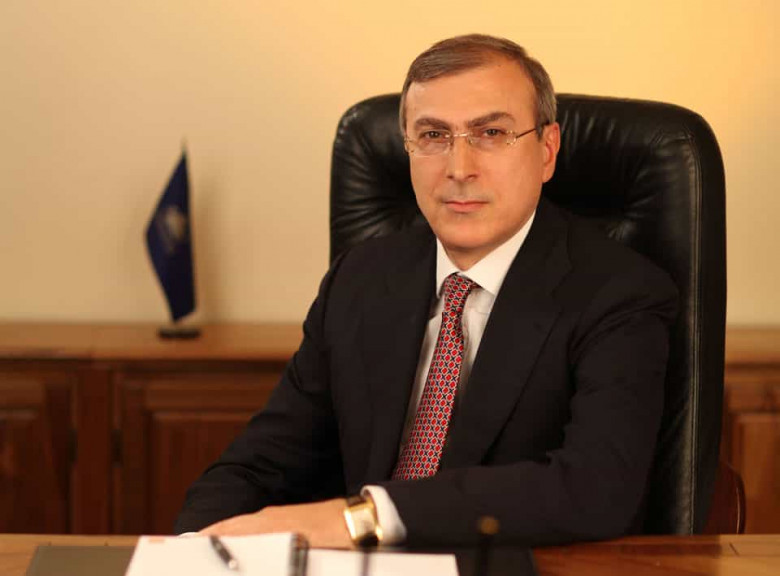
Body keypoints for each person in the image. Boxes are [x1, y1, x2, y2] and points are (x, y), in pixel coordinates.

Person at [175, 34, 677, 548]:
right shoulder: (360, 279)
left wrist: (368, 518)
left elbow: (595, 489)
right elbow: (261, 464)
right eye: (434, 135)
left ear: (547, 151)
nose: (459, 169)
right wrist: (191, 550)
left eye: (491, 133)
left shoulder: (619, 294)